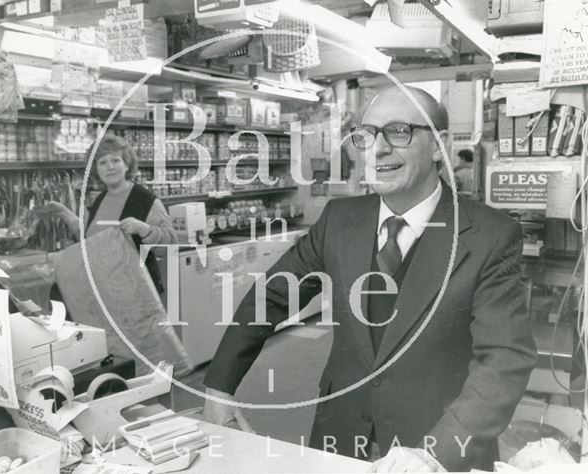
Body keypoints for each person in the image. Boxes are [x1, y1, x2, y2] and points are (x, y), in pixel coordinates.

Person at [201, 86, 536, 472]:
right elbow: (272, 296)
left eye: (397, 131)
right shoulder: (340, 220)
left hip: (438, 449)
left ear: (439, 145)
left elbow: (505, 355)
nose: (376, 150)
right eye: (365, 135)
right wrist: (219, 386)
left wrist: (436, 452)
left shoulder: (490, 235)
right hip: (339, 438)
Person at [41, 133, 176, 294]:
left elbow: (170, 246)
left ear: (127, 165)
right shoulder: (99, 199)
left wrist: (143, 229)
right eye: (102, 162)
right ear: (96, 170)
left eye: (115, 160)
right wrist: (63, 212)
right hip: (105, 292)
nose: (110, 167)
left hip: (138, 296)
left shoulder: (146, 201)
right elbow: (90, 236)